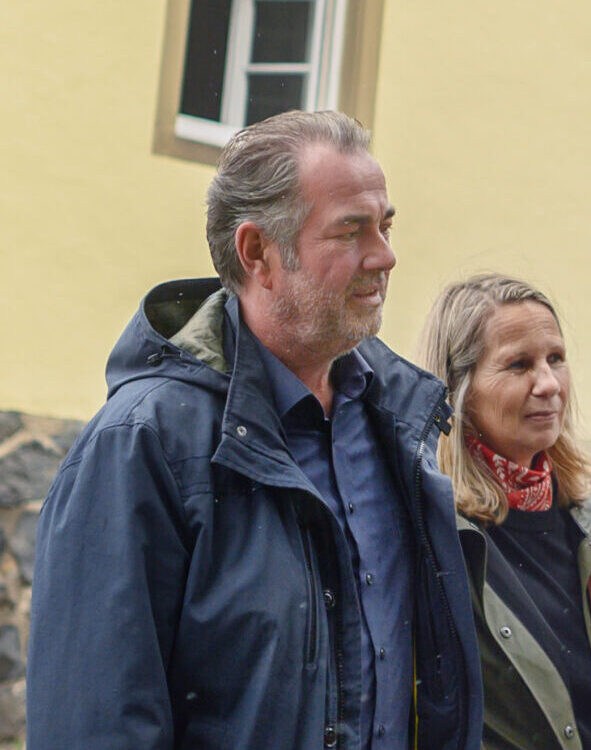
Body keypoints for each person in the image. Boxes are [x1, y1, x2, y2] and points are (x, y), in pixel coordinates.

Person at [26, 110, 480, 748]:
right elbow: (95, 725)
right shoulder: (142, 445)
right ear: (258, 253)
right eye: (351, 231)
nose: (385, 256)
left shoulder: (396, 425)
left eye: (386, 224)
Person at [421, 273, 591, 750]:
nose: (548, 384)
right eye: (518, 365)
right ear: (459, 388)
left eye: (556, 359)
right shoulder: (432, 536)